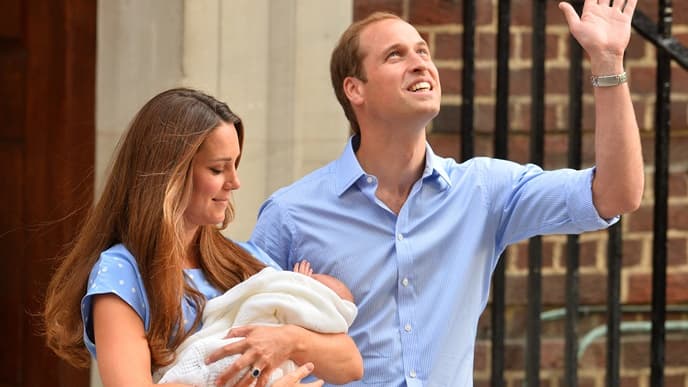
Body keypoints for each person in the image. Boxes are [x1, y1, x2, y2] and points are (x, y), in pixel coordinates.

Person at [249, 1, 643, 386]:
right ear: (355, 89)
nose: (420, 63)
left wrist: (608, 63)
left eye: (422, 51)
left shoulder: (483, 191)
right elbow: (243, 336)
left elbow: (615, 195)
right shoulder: (291, 213)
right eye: (395, 56)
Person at [42, 88, 363, 387]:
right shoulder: (122, 273)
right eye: (217, 169)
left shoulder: (245, 260)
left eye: (235, 165)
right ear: (171, 174)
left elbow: (350, 362)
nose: (235, 182)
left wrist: (289, 340)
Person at [156, 261, 357, 386]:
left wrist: (290, 338)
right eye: (311, 280)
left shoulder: (248, 256)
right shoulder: (131, 270)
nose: (235, 188)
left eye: (314, 283)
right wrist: (296, 284)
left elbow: (353, 366)